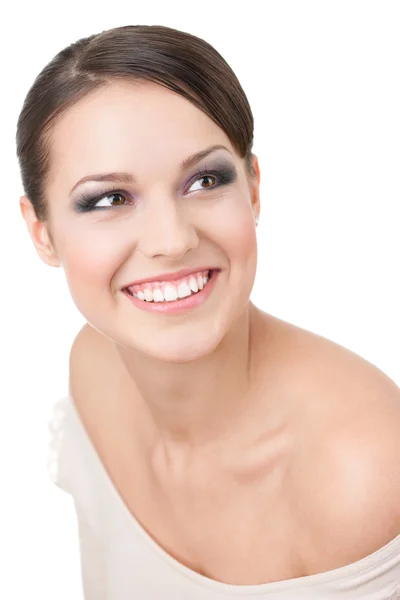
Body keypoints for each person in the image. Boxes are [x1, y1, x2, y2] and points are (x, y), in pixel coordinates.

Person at [17, 24, 400, 599]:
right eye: (109, 199)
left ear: (252, 191)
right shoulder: (94, 367)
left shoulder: (362, 469)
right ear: (41, 233)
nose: (171, 240)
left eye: (204, 180)